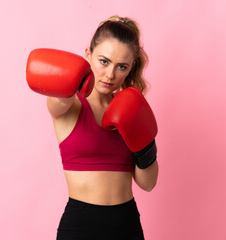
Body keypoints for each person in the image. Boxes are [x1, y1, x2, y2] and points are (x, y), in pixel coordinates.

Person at [26, 15, 158, 240]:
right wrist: (70, 78)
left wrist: (144, 145)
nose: (110, 74)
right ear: (88, 55)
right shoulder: (70, 104)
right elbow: (58, 101)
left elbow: (148, 183)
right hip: (80, 227)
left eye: (121, 66)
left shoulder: (131, 110)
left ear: (131, 67)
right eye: (104, 61)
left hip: (127, 225)